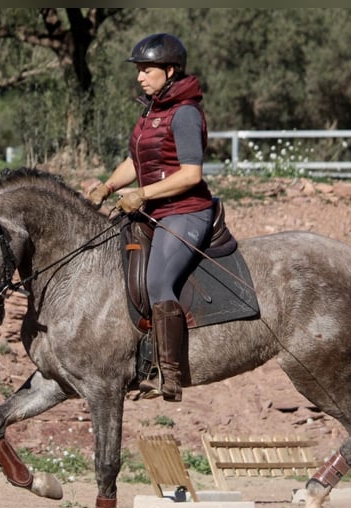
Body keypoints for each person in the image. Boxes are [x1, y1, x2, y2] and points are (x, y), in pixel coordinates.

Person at [87, 33, 215, 402]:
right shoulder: (151, 111)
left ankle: (169, 374)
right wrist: (108, 187)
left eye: (147, 70)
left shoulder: (186, 113)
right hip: (154, 210)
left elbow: (191, 174)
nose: (141, 76)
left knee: (158, 280)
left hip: (185, 212)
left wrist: (142, 193)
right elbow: (136, 162)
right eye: (139, 70)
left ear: (170, 70)